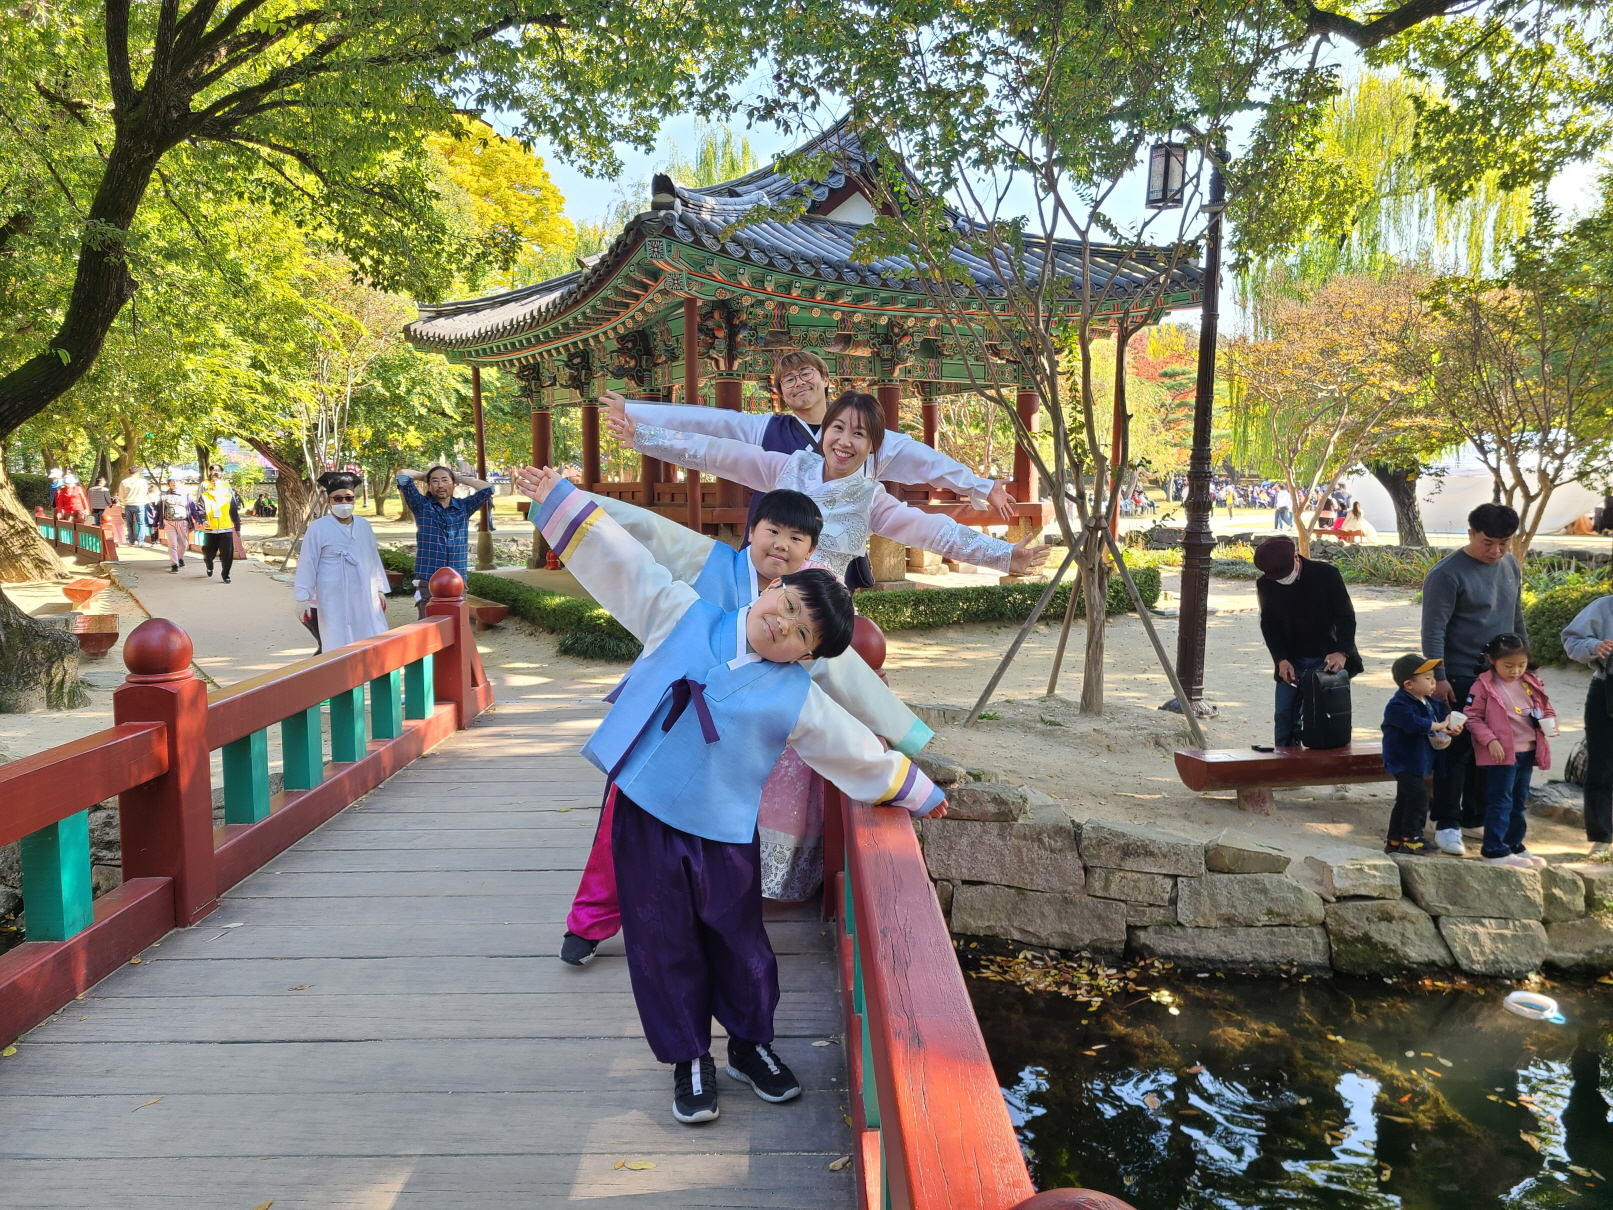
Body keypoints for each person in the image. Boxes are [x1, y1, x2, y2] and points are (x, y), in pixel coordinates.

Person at [518, 463, 945, 1126]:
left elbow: (850, 750)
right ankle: (689, 1057)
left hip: (723, 828)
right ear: (774, 585)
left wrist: (914, 789)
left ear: (809, 655)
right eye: (788, 607)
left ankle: (750, 1043)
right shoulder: (681, 612)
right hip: (644, 811)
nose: (783, 626)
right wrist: (561, 502)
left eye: (802, 633)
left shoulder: (797, 695)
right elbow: (624, 558)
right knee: (661, 941)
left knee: (739, 941)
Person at [556, 487, 935, 966]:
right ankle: (589, 920)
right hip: (663, 729)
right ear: (751, 530)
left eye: (796, 538)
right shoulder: (708, 560)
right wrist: (566, 502)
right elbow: (645, 536)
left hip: (727, 755)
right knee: (619, 828)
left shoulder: (806, 610)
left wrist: (906, 740)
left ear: (809, 551)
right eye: (772, 530)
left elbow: (845, 679)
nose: (781, 544)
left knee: (706, 850)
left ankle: (687, 939)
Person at [605, 350, 1015, 585]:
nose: (799, 383)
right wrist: (639, 421)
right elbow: (711, 437)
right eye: (788, 380)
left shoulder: (871, 455)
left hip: (827, 574)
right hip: (769, 557)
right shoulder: (774, 443)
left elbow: (928, 478)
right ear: (780, 393)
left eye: (805, 374)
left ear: (824, 378)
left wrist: (981, 488)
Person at [1421, 503, 1527, 856]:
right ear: (1471, 533)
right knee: (1456, 753)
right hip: (1459, 676)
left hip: (1500, 677)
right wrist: (1439, 676)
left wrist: (1525, 665)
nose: (1496, 551)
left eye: (1504, 543)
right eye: (1488, 543)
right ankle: (1447, 822)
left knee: (1493, 748)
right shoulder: (1446, 574)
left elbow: (1516, 616)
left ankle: (1474, 816)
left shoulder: (1510, 565)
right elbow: (1433, 631)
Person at [1252, 535, 1360, 746]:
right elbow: (1269, 625)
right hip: (1292, 657)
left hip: (1327, 656)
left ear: (1295, 557)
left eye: (1284, 575)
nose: (1282, 580)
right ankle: (1284, 759)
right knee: (1284, 714)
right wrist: (1280, 659)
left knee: (1326, 716)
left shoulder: (1326, 574)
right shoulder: (1266, 583)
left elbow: (1346, 616)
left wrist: (1342, 652)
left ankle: (1327, 761)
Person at [1464, 633, 1556, 868]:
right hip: (1502, 754)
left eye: (1521, 665)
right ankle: (1494, 850)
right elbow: (1471, 717)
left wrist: (1549, 722)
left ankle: (1514, 844)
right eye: (1508, 665)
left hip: (1528, 750)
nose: (1515, 671)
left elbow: (1546, 708)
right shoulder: (1484, 685)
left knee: (1519, 801)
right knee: (1501, 802)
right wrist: (1490, 740)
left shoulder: (1531, 681)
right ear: (1492, 660)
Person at [293, 472, 391, 652]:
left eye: (349, 498)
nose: (344, 502)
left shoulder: (364, 525)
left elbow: (373, 558)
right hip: (332, 595)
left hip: (364, 592)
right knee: (336, 639)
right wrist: (302, 598)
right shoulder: (318, 528)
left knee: (369, 636)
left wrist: (379, 588)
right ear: (328, 501)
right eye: (338, 498)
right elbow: (308, 563)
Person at [1380, 654, 1461, 855]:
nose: (1434, 682)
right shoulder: (1398, 705)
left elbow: (1438, 722)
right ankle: (1413, 838)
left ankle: (1394, 840)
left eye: (1433, 677)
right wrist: (1438, 725)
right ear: (1409, 684)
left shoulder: (1429, 702)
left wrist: (1449, 728)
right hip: (1403, 761)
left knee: (1404, 800)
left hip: (1419, 760)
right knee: (1419, 798)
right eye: (1427, 678)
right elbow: (1414, 723)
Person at [395, 465, 493, 616]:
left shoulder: (464, 507)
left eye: (445, 480)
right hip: (428, 578)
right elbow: (402, 474)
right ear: (429, 486)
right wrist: (423, 475)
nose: (440, 485)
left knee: (457, 623)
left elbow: (488, 488)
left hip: (457, 579)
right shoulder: (421, 505)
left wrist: (459, 477)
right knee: (428, 623)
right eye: (435, 481)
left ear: (453, 484)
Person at [1562, 592, 1613, 859]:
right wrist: (1594, 646)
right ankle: (1601, 837)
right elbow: (1571, 640)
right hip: (1606, 689)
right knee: (1601, 766)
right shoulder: (1605, 606)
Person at [196, 465, 242, 582]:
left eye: (218, 480)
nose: (215, 482)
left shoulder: (228, 496)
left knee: (227, 553)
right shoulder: (204, 496)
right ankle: (209, 565)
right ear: (210, 482)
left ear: (222, 482)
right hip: (210, 529)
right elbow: (200, 510)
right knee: (208, 553)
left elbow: (234, 512)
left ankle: (225, 574)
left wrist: (237, 527)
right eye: (213, 480)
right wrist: (203, 520)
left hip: (225, 528)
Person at [159, 478, 191, 572]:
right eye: (172, 481)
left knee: (183, 544)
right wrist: (156, 522)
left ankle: (179, 557)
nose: (174, 483)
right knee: (172, 544)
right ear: (168, 483)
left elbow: (192, 508)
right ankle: (174, 564)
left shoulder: (186, 494)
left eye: (177, 481)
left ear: (181, 483)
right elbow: (159, 509)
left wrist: (199, 519)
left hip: (182, 521)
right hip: (169, 522)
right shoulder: (164, 495)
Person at [117, 470, 153, 544]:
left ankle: (131, 541)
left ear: (129, 472)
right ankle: (140, 541)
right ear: (138, 473)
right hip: (140, 504)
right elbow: (145, 492)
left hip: (128, 504)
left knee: (129, 524)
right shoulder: (143, 481)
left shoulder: (124, 482)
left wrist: (125, 502)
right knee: (141, 523)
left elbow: (121, 495)